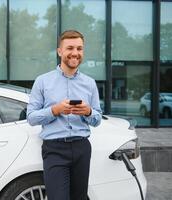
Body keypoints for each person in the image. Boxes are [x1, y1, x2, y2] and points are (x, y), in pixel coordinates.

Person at [27, 30, 102, 200]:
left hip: (82, 147)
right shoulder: (42, 81)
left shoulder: (90, 83)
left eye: (79, 48)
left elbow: (97, 119)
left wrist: (88, 112)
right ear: (60, 51)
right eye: (70, 48)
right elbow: (31, 117)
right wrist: (56, 110)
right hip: (54, 149)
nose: (75, 53)